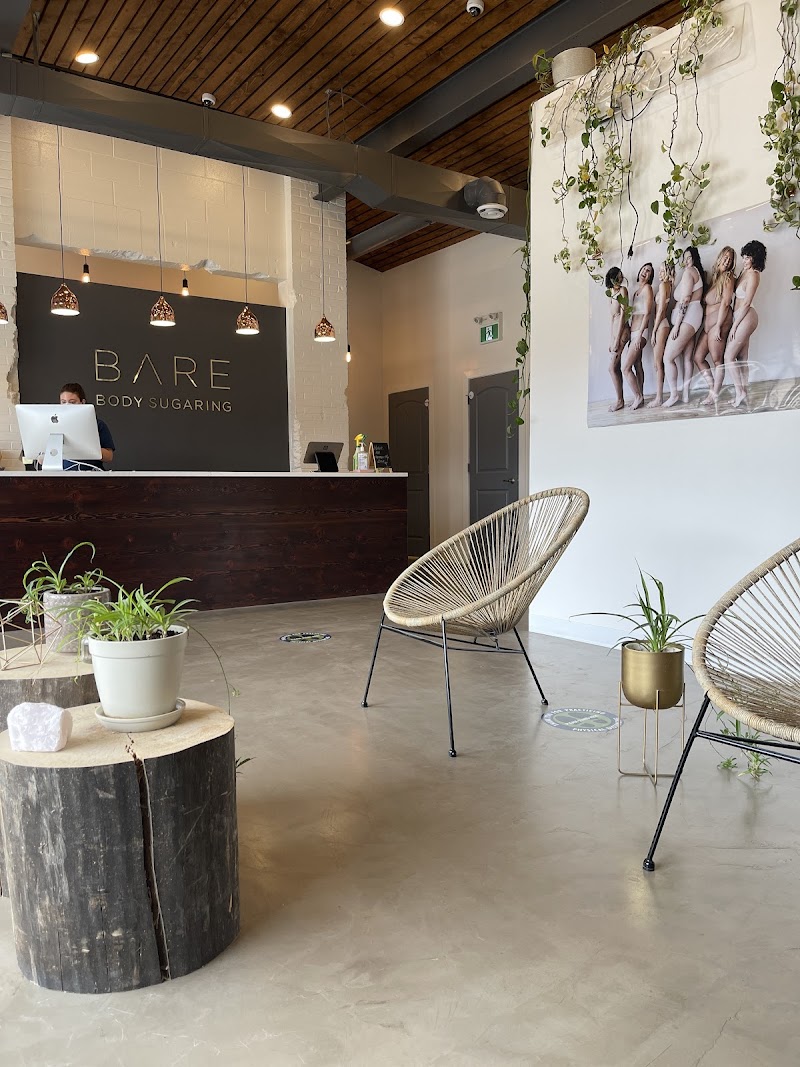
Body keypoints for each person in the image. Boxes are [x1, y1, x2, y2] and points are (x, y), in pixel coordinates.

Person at [723, 239, 767, 409]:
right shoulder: (744, 272)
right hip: (739, 316)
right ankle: (743, 395)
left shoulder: (754, 274)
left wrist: (734, 326)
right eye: (744, 256)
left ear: (755, 258)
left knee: (728, 356)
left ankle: (739, 392)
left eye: (748, 257)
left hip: (747, 316)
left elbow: (747, 302)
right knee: (741, 358)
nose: (744, 260)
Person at [661, 247, 705, 408]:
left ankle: (674, 395)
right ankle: (686, 394)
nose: (686, 261)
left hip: (688, 317)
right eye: (684, 258)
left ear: (695, 258)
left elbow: (685, 299)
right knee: (687, 358)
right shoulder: (695, 272)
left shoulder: (689, 272)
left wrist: (677, 326)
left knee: (667, 358)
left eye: (689, 258)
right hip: (694, 316)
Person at [694, 246, 736, 406]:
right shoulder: (714, 279)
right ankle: (713, 387)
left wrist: (718, 325)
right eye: (725, 257)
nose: (727, 261)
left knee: (717, 360)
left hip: (719, 323)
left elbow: (725, 303)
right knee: (698, 358)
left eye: (730, 259)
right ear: (719, 258)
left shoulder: (728, 277)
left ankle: (714, 394)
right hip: (708, 326)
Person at [621, 262, 654, 410]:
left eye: (649, 271)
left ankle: (637, 396)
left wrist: (639, 334)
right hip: (633, 333)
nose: (645, 272)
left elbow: (647, 313)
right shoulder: (635, 293)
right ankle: (641, 397)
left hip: (641, 332)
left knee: (625, 368)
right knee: (637, 364)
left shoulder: (648, 289)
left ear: (650, 277)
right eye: (644, 269)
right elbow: (633, 315)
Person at [59, 382, 115, 469]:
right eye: (63, 402)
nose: (67, 405)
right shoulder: (55, 426)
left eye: (72, 402)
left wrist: (87, 447)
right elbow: (41, 459)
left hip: (92, 474)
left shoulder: (97, 425)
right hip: (62, 475)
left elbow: (109, 456)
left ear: (82, 402)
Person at [646, 262, 674, 408]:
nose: (659, 273)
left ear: (667, 272)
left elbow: (661, 310)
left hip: (661, 325)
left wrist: (654, 331)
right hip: (663, 325)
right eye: (659, 271)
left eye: (662, 271)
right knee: (658, 363)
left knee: (658, 364)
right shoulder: (668, 285)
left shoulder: (663, 285)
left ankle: (659, 398)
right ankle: (659, 396)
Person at [605, 266, 630, 413]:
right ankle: (620, 399)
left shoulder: (623, 291)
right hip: (615, 332)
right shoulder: (610, 293)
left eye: (621, 276)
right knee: (616, 367)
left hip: (623, 331)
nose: (620, 279)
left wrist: (617, 339)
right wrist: (611, 339)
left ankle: (620, 401)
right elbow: (612, 317)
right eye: (617, 276)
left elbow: (622, 316)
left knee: (611, 368)